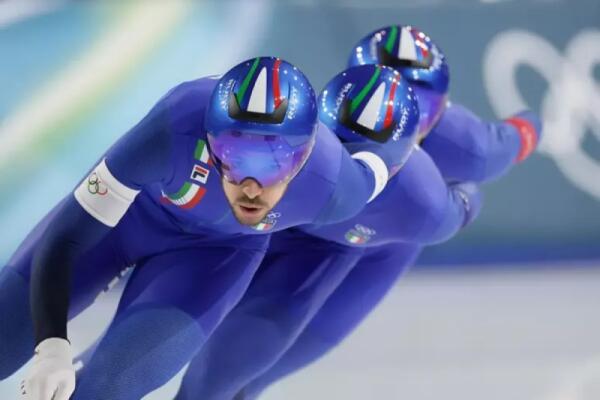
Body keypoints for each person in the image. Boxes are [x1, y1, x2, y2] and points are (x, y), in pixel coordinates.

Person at [0, 57, 421, 400]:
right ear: (209, 141)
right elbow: (68, 238)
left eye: (274, 163)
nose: (251, 186)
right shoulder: (173, 126)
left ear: (305, 155)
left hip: (211, 258)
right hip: (126, 220)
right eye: (235, 157)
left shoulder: (332, 185)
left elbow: (379, 167)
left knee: (107, 390)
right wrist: (51, 346)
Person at [174, 26, 541, 400]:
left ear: (442, 109)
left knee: (240, 377)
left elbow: (508, 144)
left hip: (356, 247)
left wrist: (469, 190)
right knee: (220, 369)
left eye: (422, 103)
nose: (392, 111)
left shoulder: (450, 169)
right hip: (318, 231)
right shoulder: (295, 136)